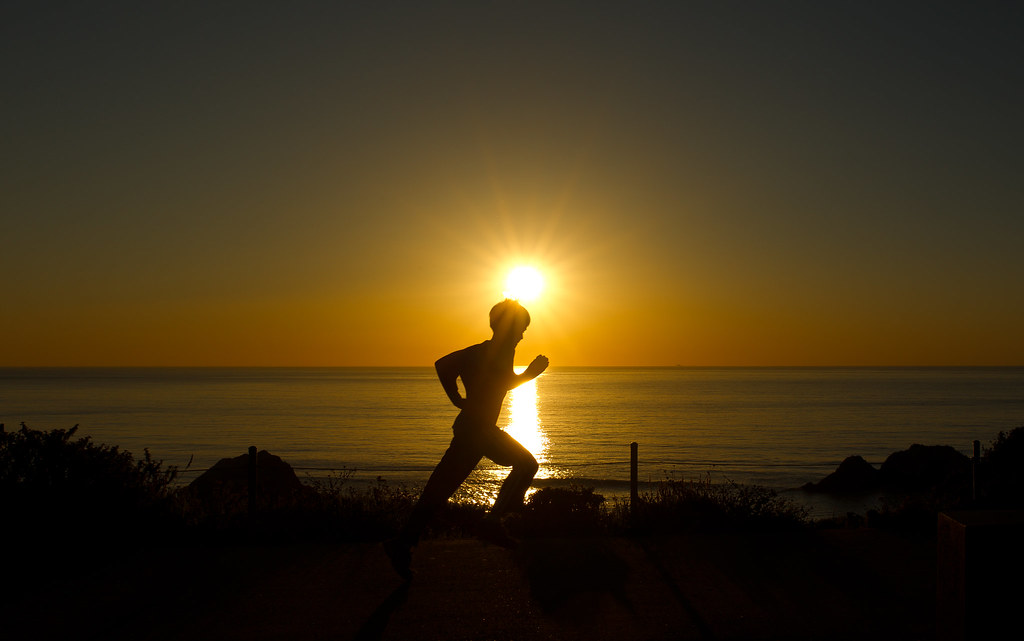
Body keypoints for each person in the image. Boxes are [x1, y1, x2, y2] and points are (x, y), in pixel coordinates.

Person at [385, 299, 549, 580]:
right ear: (506, 327)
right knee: (526, 464)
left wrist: (456, 397)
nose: (522, 335)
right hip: (477, 429)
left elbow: (444, 365)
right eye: (520, 328)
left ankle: (402, 544)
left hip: (472, 428)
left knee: (438, 491)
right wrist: (529, 375)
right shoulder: (493, 351)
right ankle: (494, 521)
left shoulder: (489, 351)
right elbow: (497, 381)